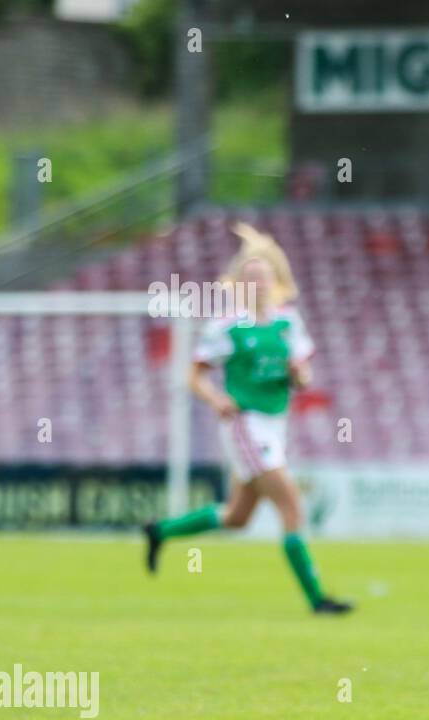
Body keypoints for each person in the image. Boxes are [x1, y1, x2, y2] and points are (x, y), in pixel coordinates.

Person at [143, 223, 353, 615]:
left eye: (263, 276)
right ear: (239, 283)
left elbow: (304, 375)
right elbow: (194, 376)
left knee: (237, 517)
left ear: (274, 280)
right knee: (292, 506)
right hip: (246, 425)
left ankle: (160, 531)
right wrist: (216, 399)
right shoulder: (227, 327)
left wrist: (298, 373)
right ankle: (318, 599)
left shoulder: (289, 322)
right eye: (250, 277)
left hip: (276, 423)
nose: (258, 282)